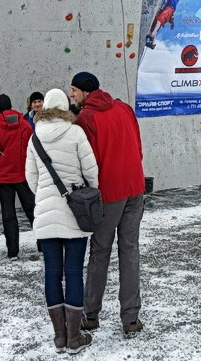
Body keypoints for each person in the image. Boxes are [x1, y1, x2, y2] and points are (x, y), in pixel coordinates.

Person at [70, 72, 145, 335]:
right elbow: (138, 146)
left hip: (108, 193)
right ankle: (131, 318)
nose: (72, 96)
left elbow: (87, 163)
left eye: (74, 91)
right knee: (130, 251)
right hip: (135, 187)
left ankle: (91, 314)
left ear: (84, 92)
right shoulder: (124, 108)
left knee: (100, 252)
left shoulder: (85, 119)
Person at [25, 88, 98, 354]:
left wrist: (45, 196)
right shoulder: (76, 132)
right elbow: (91, 169)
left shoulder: (34, 138)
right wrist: (88, 192)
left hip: (45, 215)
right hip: (74, 214)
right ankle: (74, 337)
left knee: (53, 274)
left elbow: (30, 178)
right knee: (74, 272)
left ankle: (59, 337)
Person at [0, 94, 35, 260]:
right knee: (32, 210)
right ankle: (42, 244)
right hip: (23, 174)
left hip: (3, 177)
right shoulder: (24, 125)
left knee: (8, 214)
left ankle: (13, 251)